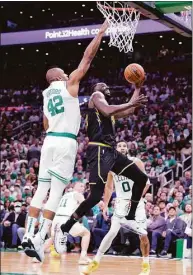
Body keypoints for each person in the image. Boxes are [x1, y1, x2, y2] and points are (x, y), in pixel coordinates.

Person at [22, 20, 109, 262]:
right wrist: (100, 34)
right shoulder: (69, 84)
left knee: (41, 189)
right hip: (64, 142)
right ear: (60, 76)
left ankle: (29, 234)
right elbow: (87, 58)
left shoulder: (45, 94)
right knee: (56, 192)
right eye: (64, 72)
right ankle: (40, 237)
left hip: (48, 141)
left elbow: (46, 125)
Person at [57, 78, 148, 252]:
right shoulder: (96, 97)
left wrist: (137, 88)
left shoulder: (108, 111)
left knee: (141, 178)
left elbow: (130, 110)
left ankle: (129, 216)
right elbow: (108, 109)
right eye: (102, 85)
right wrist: (131, 101)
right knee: (94, 197)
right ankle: (65, 227)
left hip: (111, 152)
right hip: (99, 151)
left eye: (106, 85)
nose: (105, 86)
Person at [83, 141, 151, 275]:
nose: (122, 147)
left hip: (136, 204)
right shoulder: (111, 166)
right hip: (120, 203)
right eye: (119, 146)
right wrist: (105, 205)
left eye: (124, 146)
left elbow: (146, 183)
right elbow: (109, 187)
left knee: (143, 235)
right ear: (116, 148)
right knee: (112, 232)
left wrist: (136, 199)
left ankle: (146, 264)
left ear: (128, 149)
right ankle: (95, 262)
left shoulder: (136, 162)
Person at [50, 182, 91, 265]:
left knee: (53, 239)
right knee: (86, 233)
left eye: (83, 186)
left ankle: (36, 255)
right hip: (66, 219)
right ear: (74, 187)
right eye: (81, 186)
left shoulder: (65, 195)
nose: (83, 188)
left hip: (56, 218)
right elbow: (85, 205)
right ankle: (83, 257)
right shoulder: (78, 194)